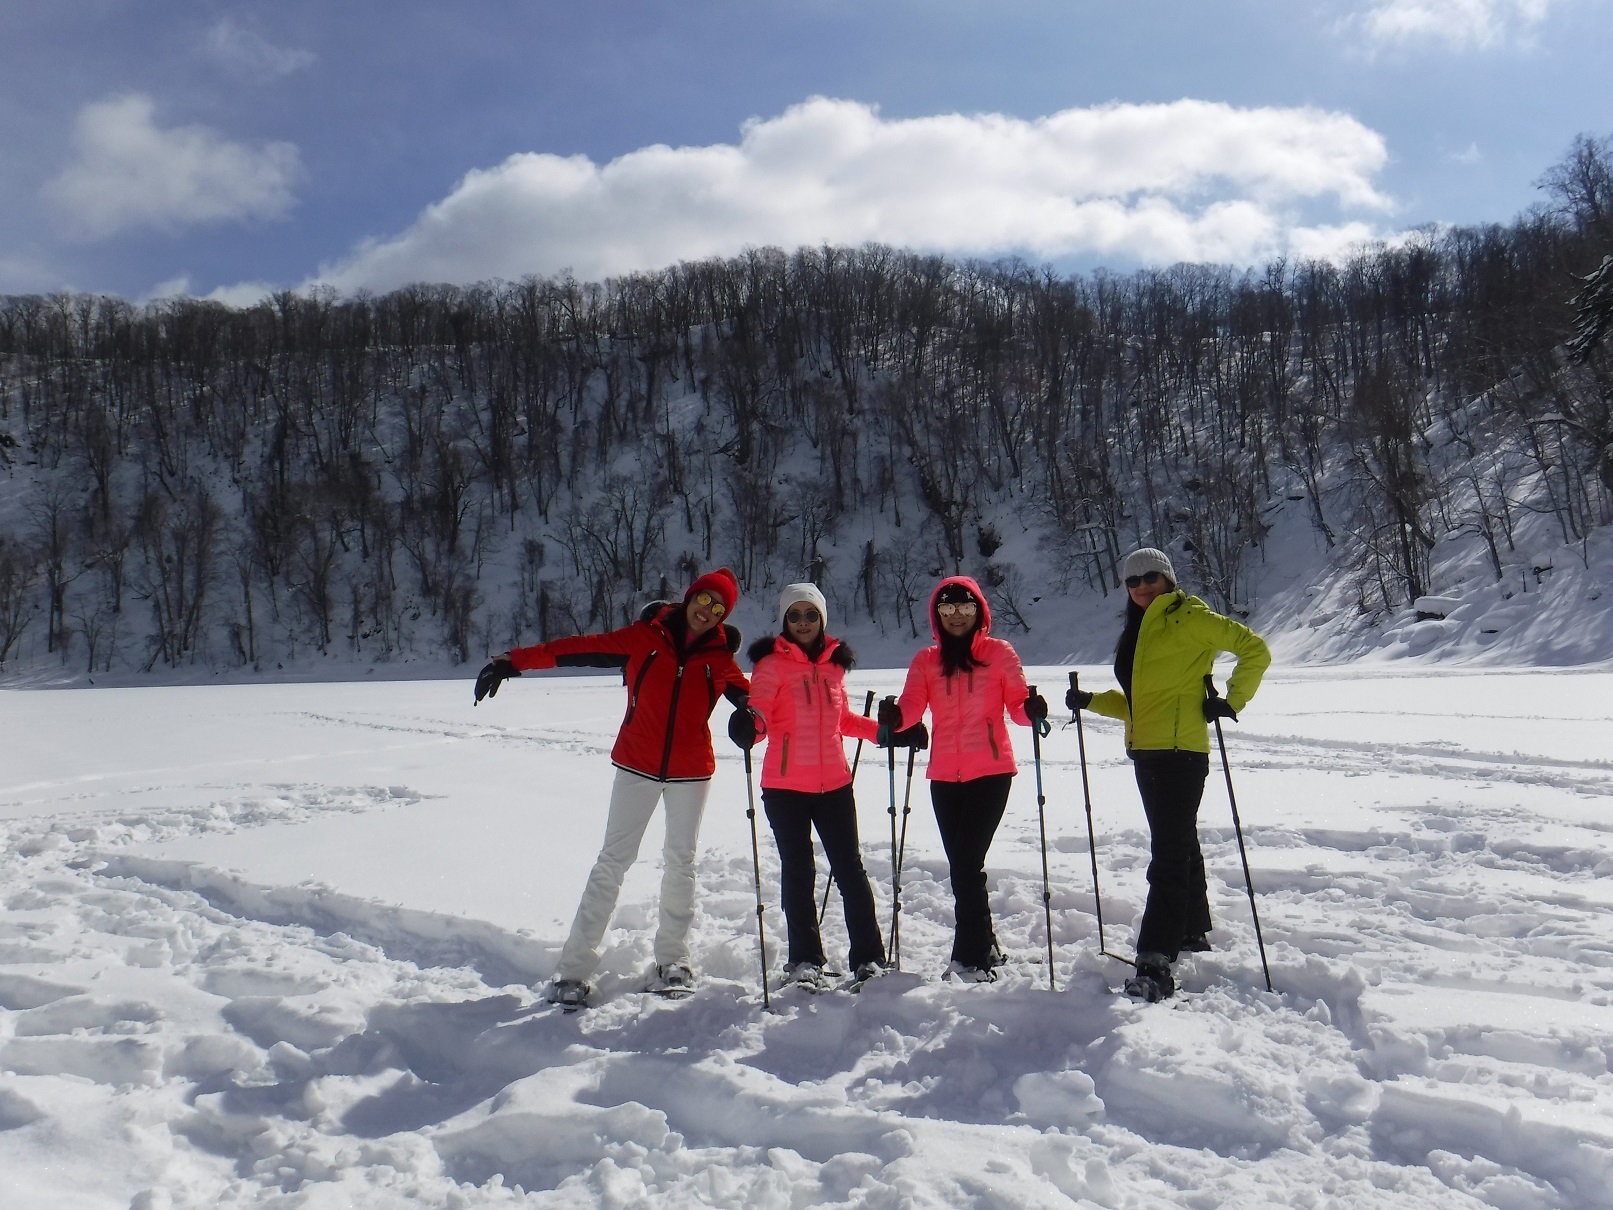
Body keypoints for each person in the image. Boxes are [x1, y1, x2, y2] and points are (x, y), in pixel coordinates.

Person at [475, 569, 749, 1009]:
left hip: (691, 774)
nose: (707, 611)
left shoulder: (721, 660)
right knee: (612, 862)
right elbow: (577, 648)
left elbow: (757, 702)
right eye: (704, 600)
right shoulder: (644, 638)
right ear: (690, 597)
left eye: (718, 609)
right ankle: (574, 971)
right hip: (636, 765)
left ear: (723, 617)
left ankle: (672, 962)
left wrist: (754, 720)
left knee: (682, 864)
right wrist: (514, 660)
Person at [1067, 547, 1270, 1002]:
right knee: (1177, 842)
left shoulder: (1190, 618)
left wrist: (1232, 700)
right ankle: (1191, 929)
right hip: (1148, 752)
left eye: (1149, 577)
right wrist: (1091, 701)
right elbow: (1139, 706)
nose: (1141, 587)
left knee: (1168, 853)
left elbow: (1255, 649)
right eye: (1131, 581)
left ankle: (1156, 958)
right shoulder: (1138, 633)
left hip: (1181, 753)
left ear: (1169, 579)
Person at [877, 576, 1050, 982]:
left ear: (979, 612)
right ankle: (984, 942)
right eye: (948, 608)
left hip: (990, 773)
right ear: (937, 614)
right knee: (962, 865)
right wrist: (895, 719)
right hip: (943, 777)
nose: (957, 616)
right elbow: (912, 708)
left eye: (966, 608)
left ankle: (970, 957)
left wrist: (1033, 708)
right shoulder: (926, 660)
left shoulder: (999, 653)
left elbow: (1019, 711)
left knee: (966, 863)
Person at [729, 584, 888, 991]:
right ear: (785, 621)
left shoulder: (835, 665)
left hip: (834, 784)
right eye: (795, 615)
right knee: (799, 873)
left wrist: (885, 732)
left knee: (851, 871)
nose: (803, 622)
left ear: (822, 620)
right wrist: (750, 725)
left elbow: (844, 721)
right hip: (785, 789)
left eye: (811, 614)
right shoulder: (770, 664)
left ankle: (869, 959)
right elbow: (761, 712)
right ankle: (804, 960)